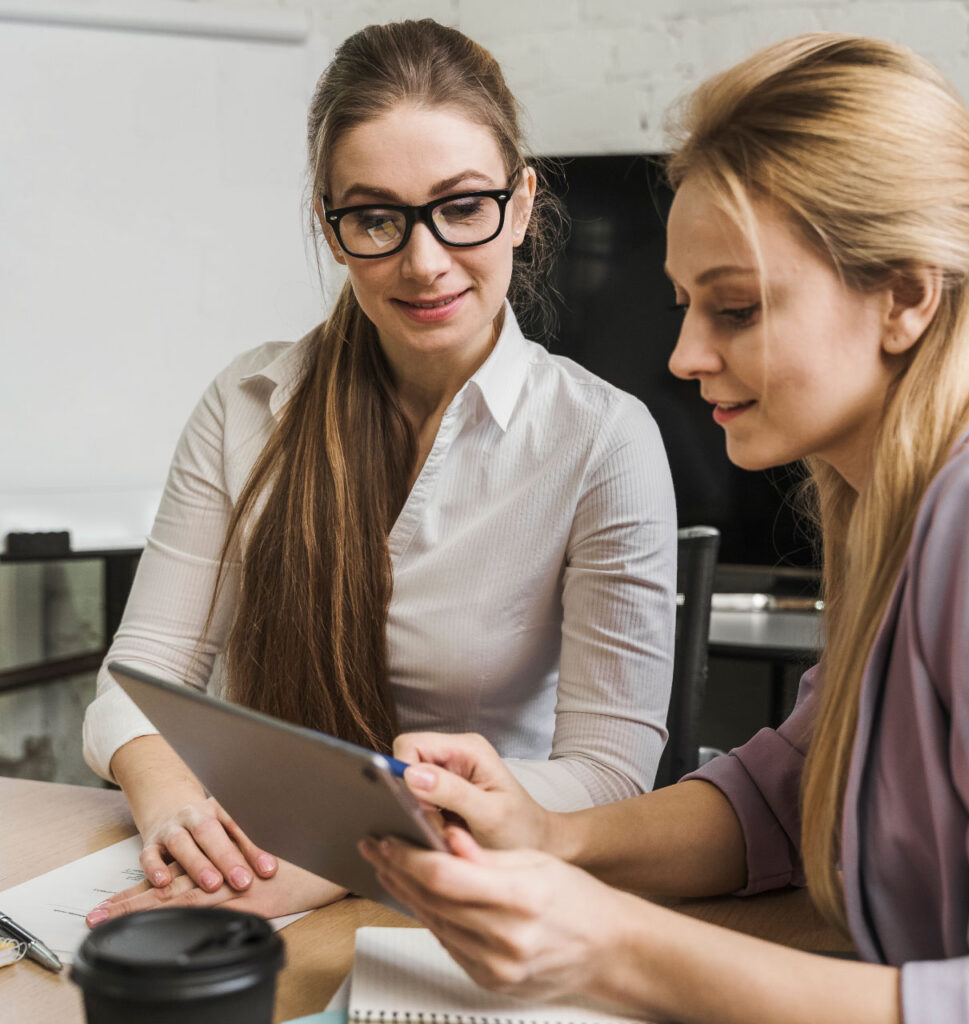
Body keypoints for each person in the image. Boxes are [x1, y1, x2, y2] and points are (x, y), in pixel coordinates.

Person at [357, 33, 969, 1024]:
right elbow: (786, 798)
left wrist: (608, 946)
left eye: (737, 308)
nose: (681, 354)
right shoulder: (896, 499)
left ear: (905, 294)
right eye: (683, 304)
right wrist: (548, 837)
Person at [81, 19, 677, 925]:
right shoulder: (245, 406)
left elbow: (608, 776)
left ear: (519, 205)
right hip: (248, 871)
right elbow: (135, 683)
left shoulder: (603, 441)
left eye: (461, 207)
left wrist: (340, 852)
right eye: (376, 218)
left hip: (462, 894)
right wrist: (174, 803)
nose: (424, 260)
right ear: (332, 229)